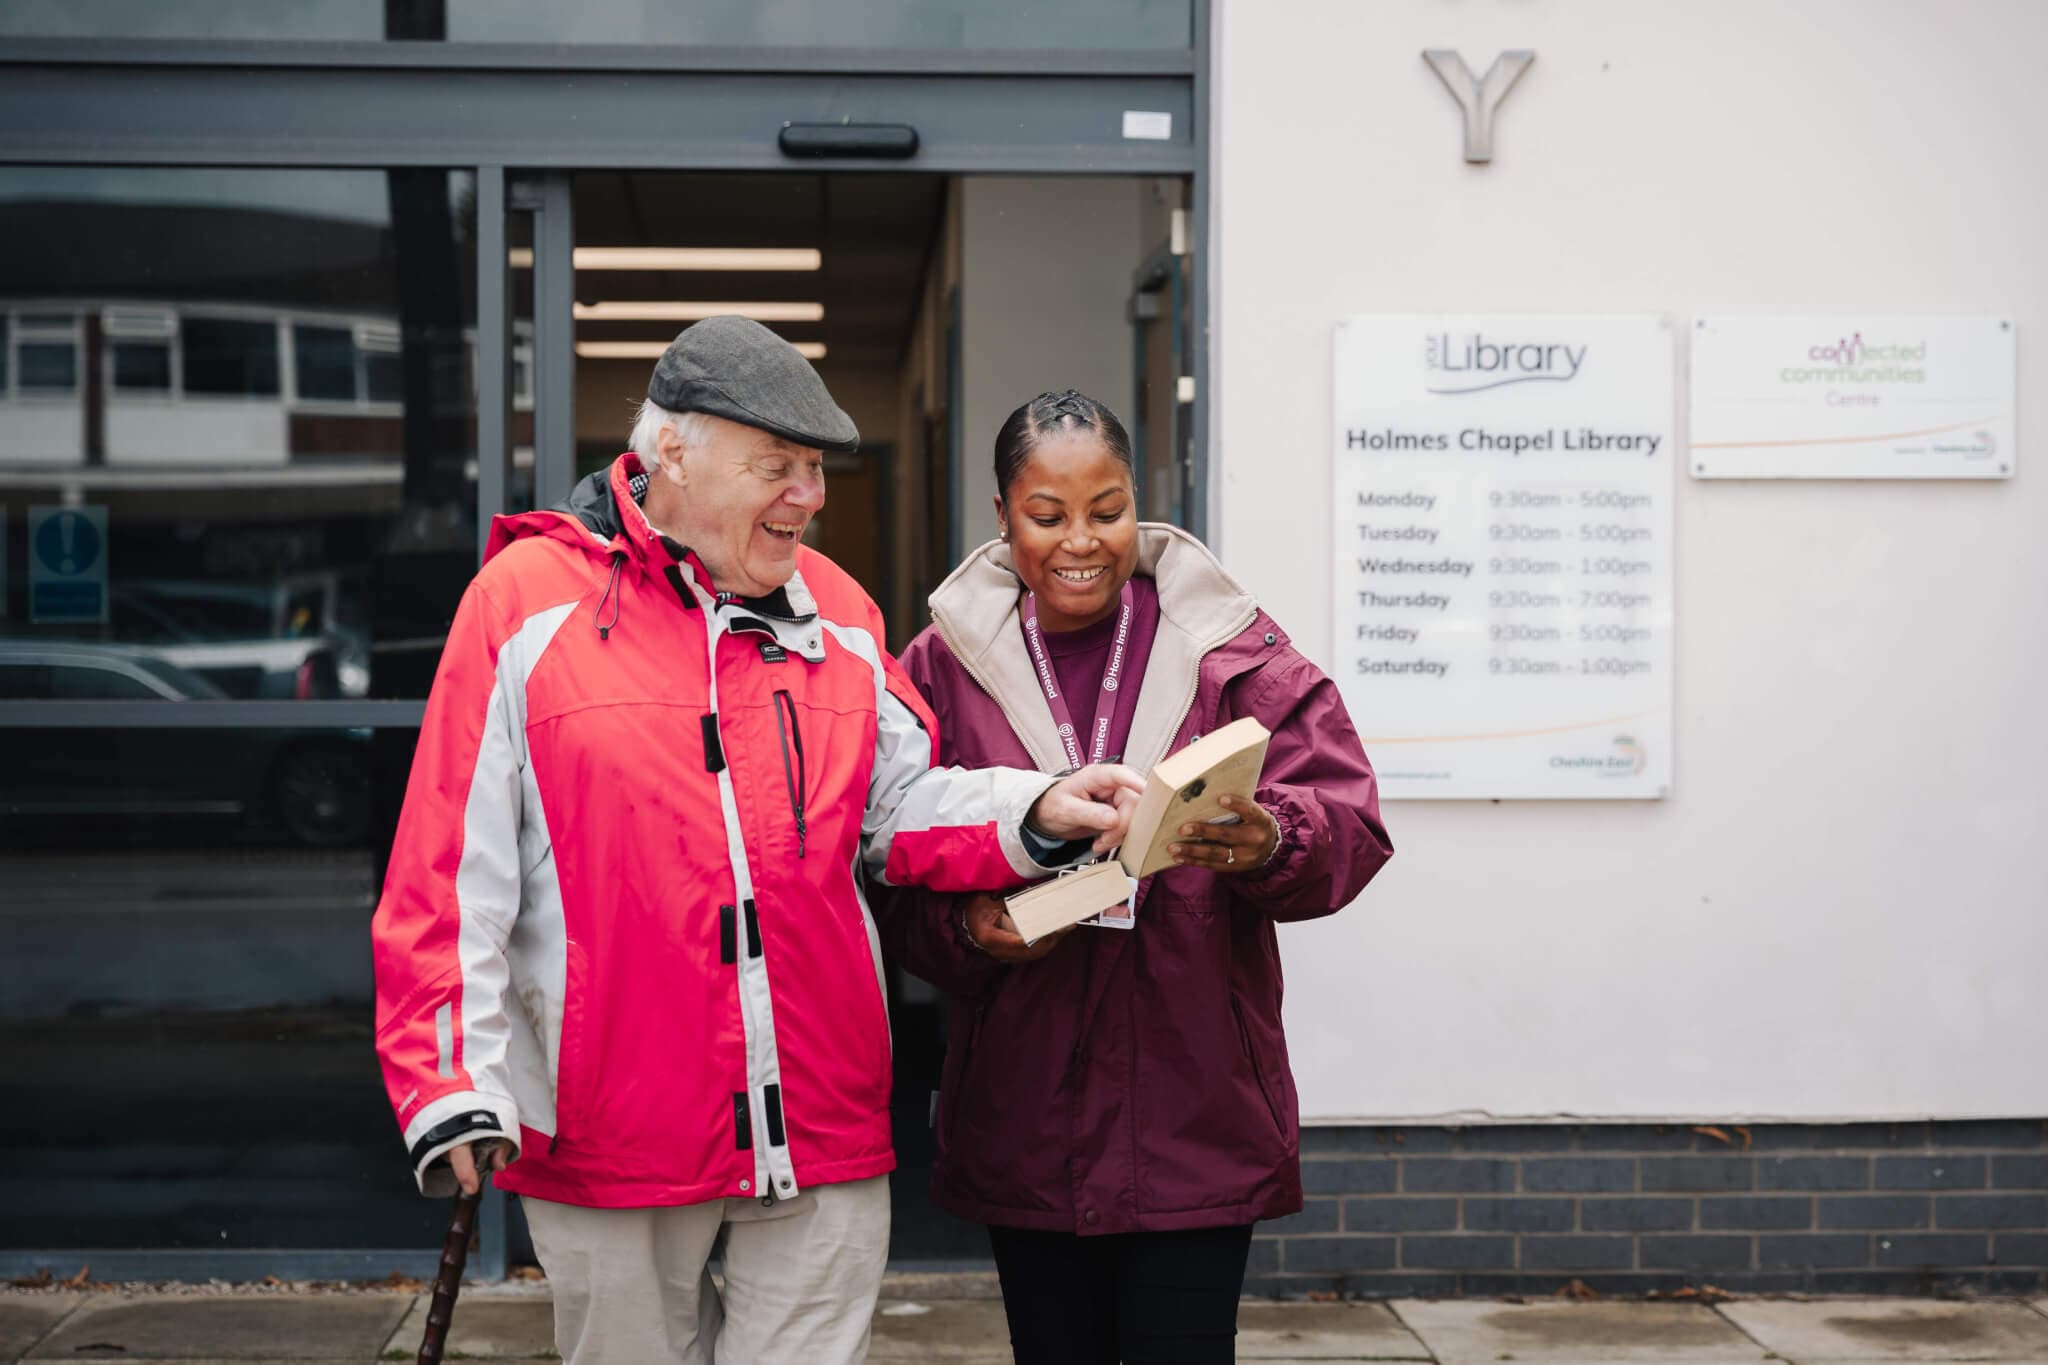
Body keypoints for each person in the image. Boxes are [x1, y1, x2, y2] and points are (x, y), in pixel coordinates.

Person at [370, 325, 1142, 1365]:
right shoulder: (521, 607)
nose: (807, 496)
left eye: (816, 468)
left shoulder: (840, 611)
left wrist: (1037, 811)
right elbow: (450, 871)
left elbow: (897, 801)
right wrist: (452, 1081)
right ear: (670, 457)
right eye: (775, 466)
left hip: (819, 1122)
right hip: (612, 1129)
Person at [878, 390, 1393, 1364]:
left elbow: (1350, 821)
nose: (1081, 541)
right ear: (1001, 516)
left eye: (1106, 509)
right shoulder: (938, 670)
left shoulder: (1232, 652)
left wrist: (1269, 840)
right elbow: (886, 871)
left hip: (1193, 1103)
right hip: (1027, 1108)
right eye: (1046, 515)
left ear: (1139, 502)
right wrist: (970, 932)